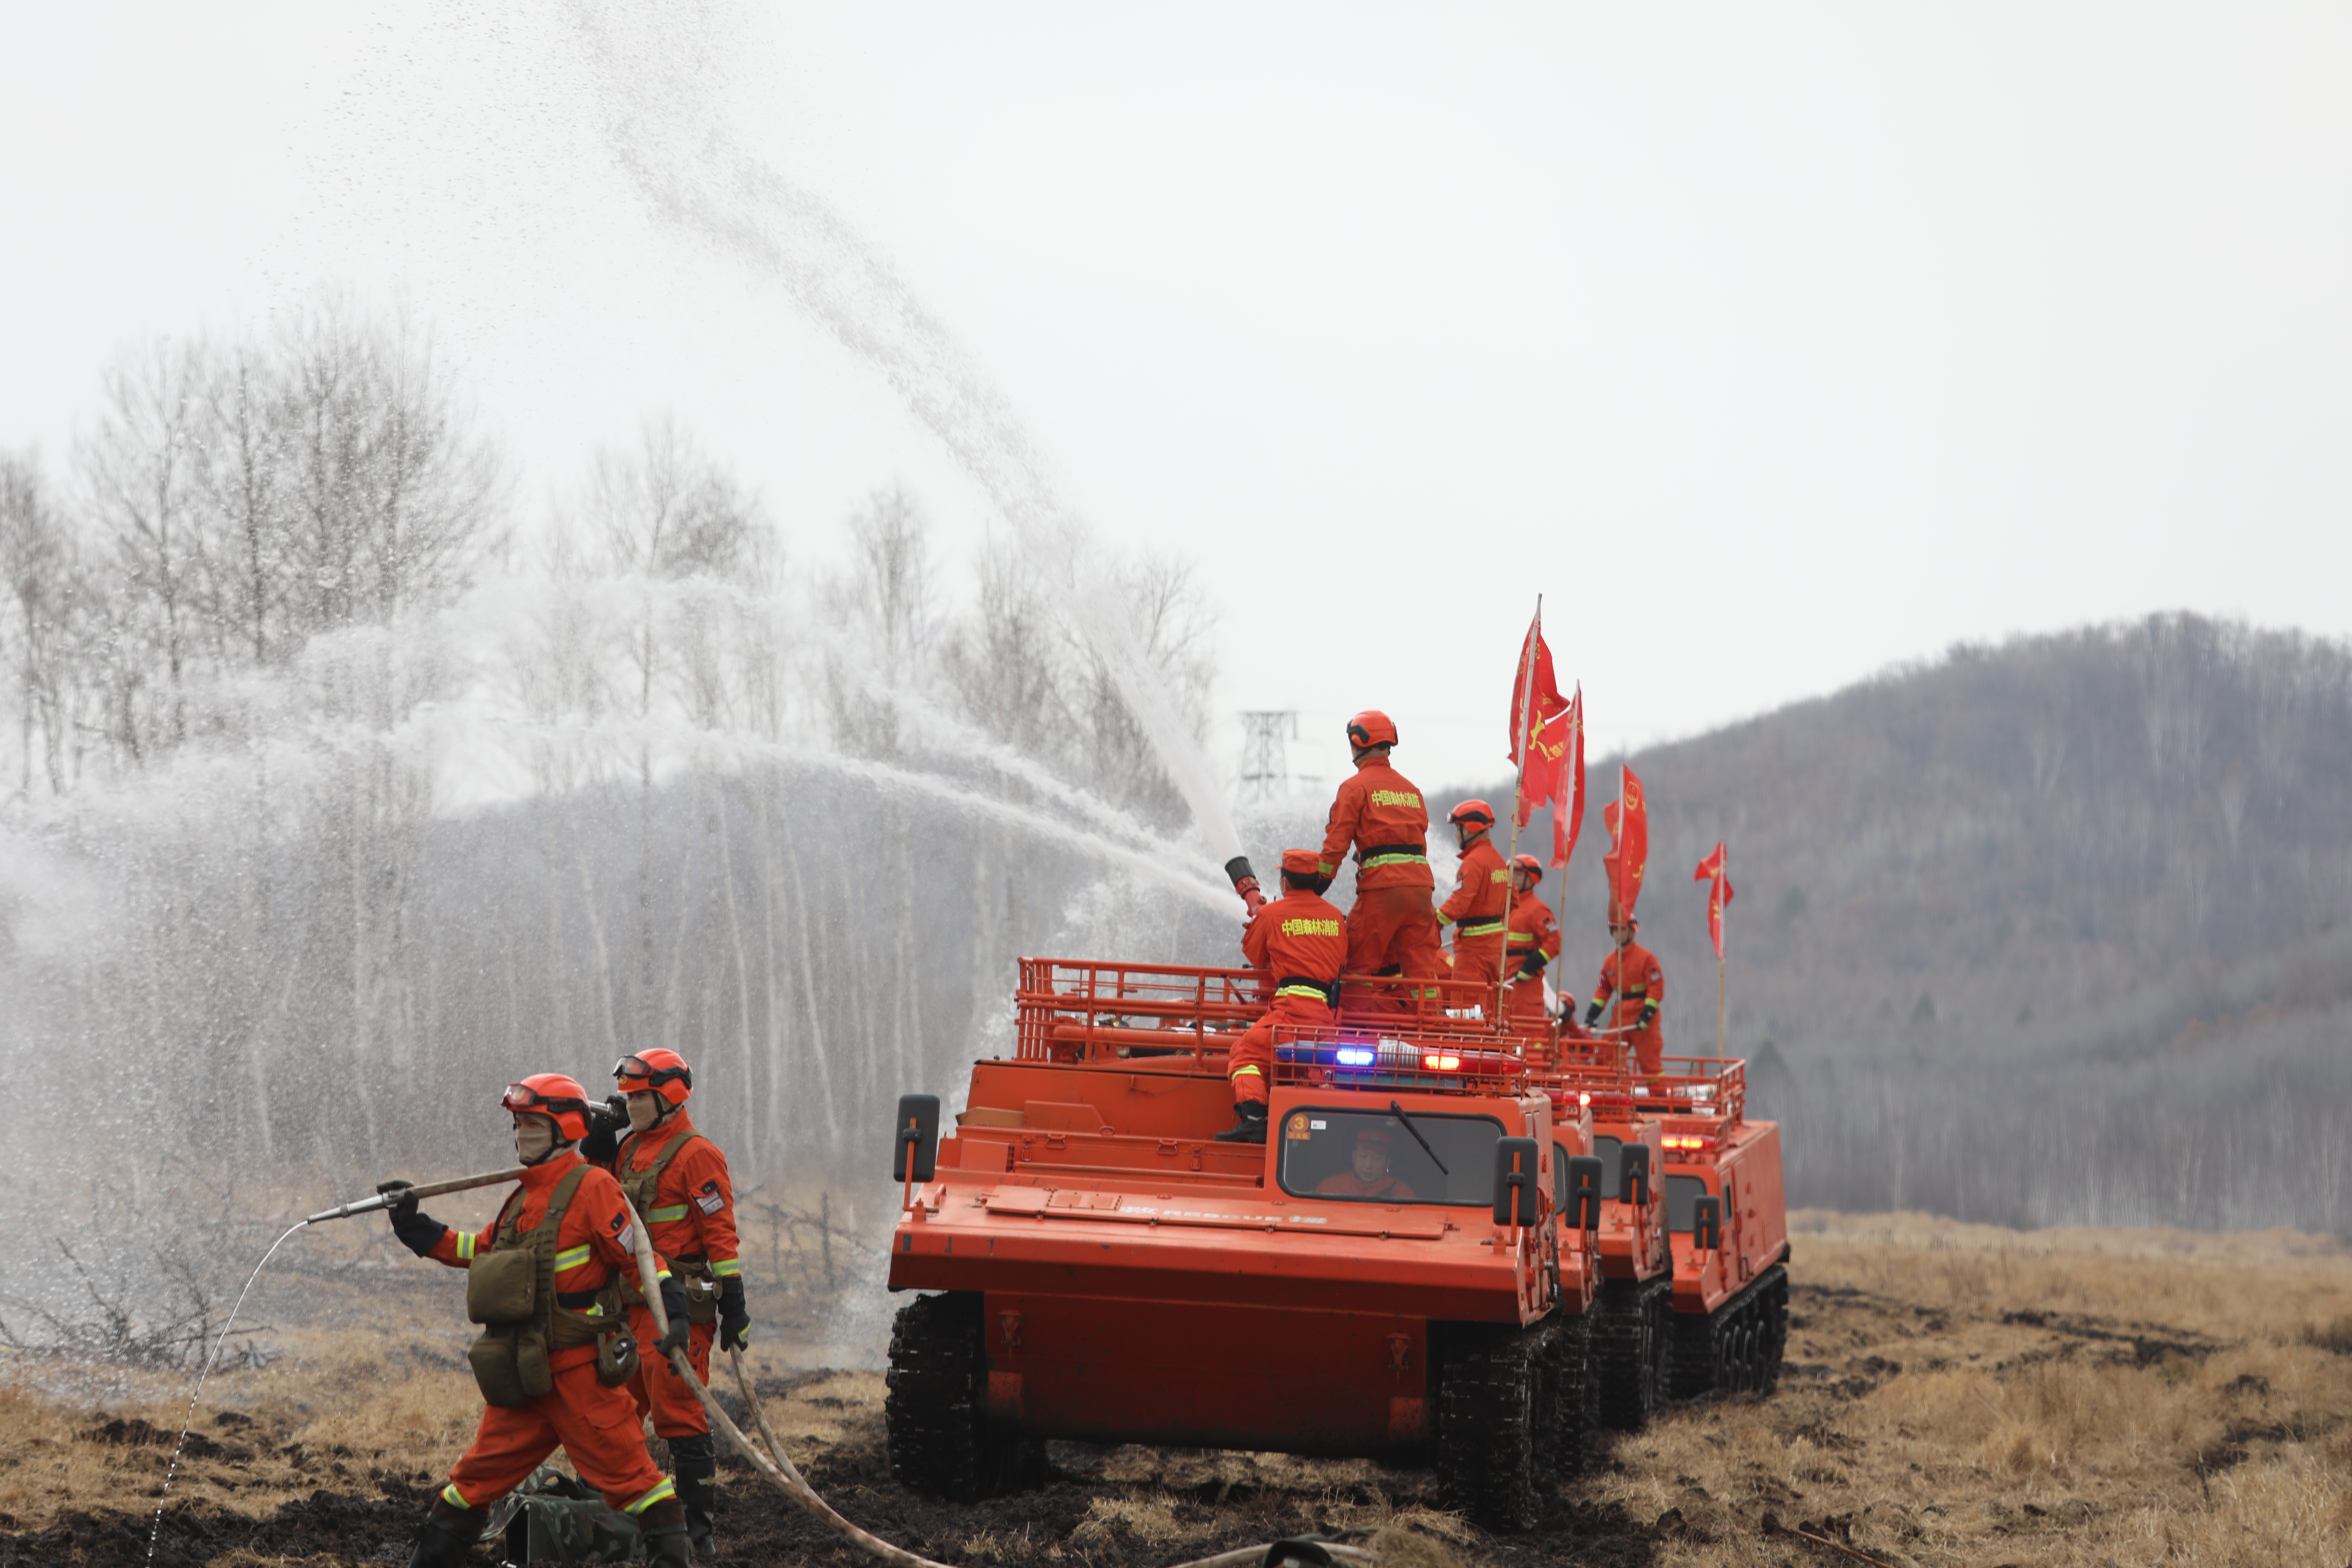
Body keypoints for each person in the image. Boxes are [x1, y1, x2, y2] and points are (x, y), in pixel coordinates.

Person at [382, 1075, 693, 1568]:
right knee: (470, 1484)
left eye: (531, 1124)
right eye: (518, 1125)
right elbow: (479, 1251)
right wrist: (418, 1229)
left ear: (563, 1128)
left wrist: (673, 1311)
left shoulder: (593, 1187)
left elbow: (639, 1256)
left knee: (639, 1483)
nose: (520, 1135)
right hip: (525, 1381)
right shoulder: (522, 1200)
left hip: (581, 1380)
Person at [586, 1049, 747, 1560]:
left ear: (668, 1097)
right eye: (628, 1097)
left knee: (679, 1418)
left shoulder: (697, 1154)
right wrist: (598, 1151)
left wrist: (735, 1305)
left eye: (639, 1097)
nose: (629, 1106)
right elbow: (602, 1206)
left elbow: (720, 1236)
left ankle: (697, 1541)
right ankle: (618, 1533)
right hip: (627, 1308)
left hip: (677, 1314)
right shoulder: (630, 1149)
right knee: (616, 1416)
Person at [1216, 849, 1348, 1144]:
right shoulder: (1337, 918)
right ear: (1316, 882)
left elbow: (1255, 956)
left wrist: (1261, 922)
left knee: (1245, 1055)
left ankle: (1255, 1120)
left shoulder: (1271, 914)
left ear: (1285, 883)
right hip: (1327, 1018)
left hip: (1290, 1014)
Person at [1318, 710, 1444, 1009]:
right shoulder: (1412, 791)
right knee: (1423, 973)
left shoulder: (1355, 787)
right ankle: (1434, 1031)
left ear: (1357, 741)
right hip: (1422, 890)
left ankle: (1356, 1033)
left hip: (1383, 890)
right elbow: (1418, 842)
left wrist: (1317, 882)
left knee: (1358, 965)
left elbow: (1337, 845)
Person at [1586, 907, 1666, 1076]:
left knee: (1649, 1063)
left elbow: (1656, 988)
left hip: (1643, 1018)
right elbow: (1603, 991)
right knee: (1605, 1058)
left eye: (1622, 929)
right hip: (1621, 1016)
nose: (1618, 934)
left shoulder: (1646, 958)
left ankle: (1660, 1100)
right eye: (1615, 930)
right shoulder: (1610, 962)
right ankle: (1609, 1096)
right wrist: (1591, 1016)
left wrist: (1646, 1015)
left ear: (1632, 931)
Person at [1437, 800, 1510, 987]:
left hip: (1473, 952)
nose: (1456, 835)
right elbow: (1513, 902)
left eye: (1458, 829)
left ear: (1469, 829)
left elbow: (1460, 902)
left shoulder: (1473, 862)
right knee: (1489, 1010)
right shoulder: (1499, 861)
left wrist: (1433, 923)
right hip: (1497, 952)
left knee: (1466, 1010)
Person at [1503, 853, 1563, 1027]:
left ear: (1532, 879)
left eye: (1519, 874)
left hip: (1525, 984)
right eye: (1511, 873)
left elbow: (1554, 943)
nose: (1513, 878)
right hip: (1502, 979)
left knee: (1526, 1033)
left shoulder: (1538, 910)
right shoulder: (1503, 906)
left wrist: (1530, 966)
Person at [1314, 1124, 1418, 1200]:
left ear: (1388, 1162)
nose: (1368, 1165)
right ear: (1354, 1156)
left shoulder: (1403, 1193)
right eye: (1363, 1156)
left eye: (1377, 1158)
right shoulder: (1328, 1188)